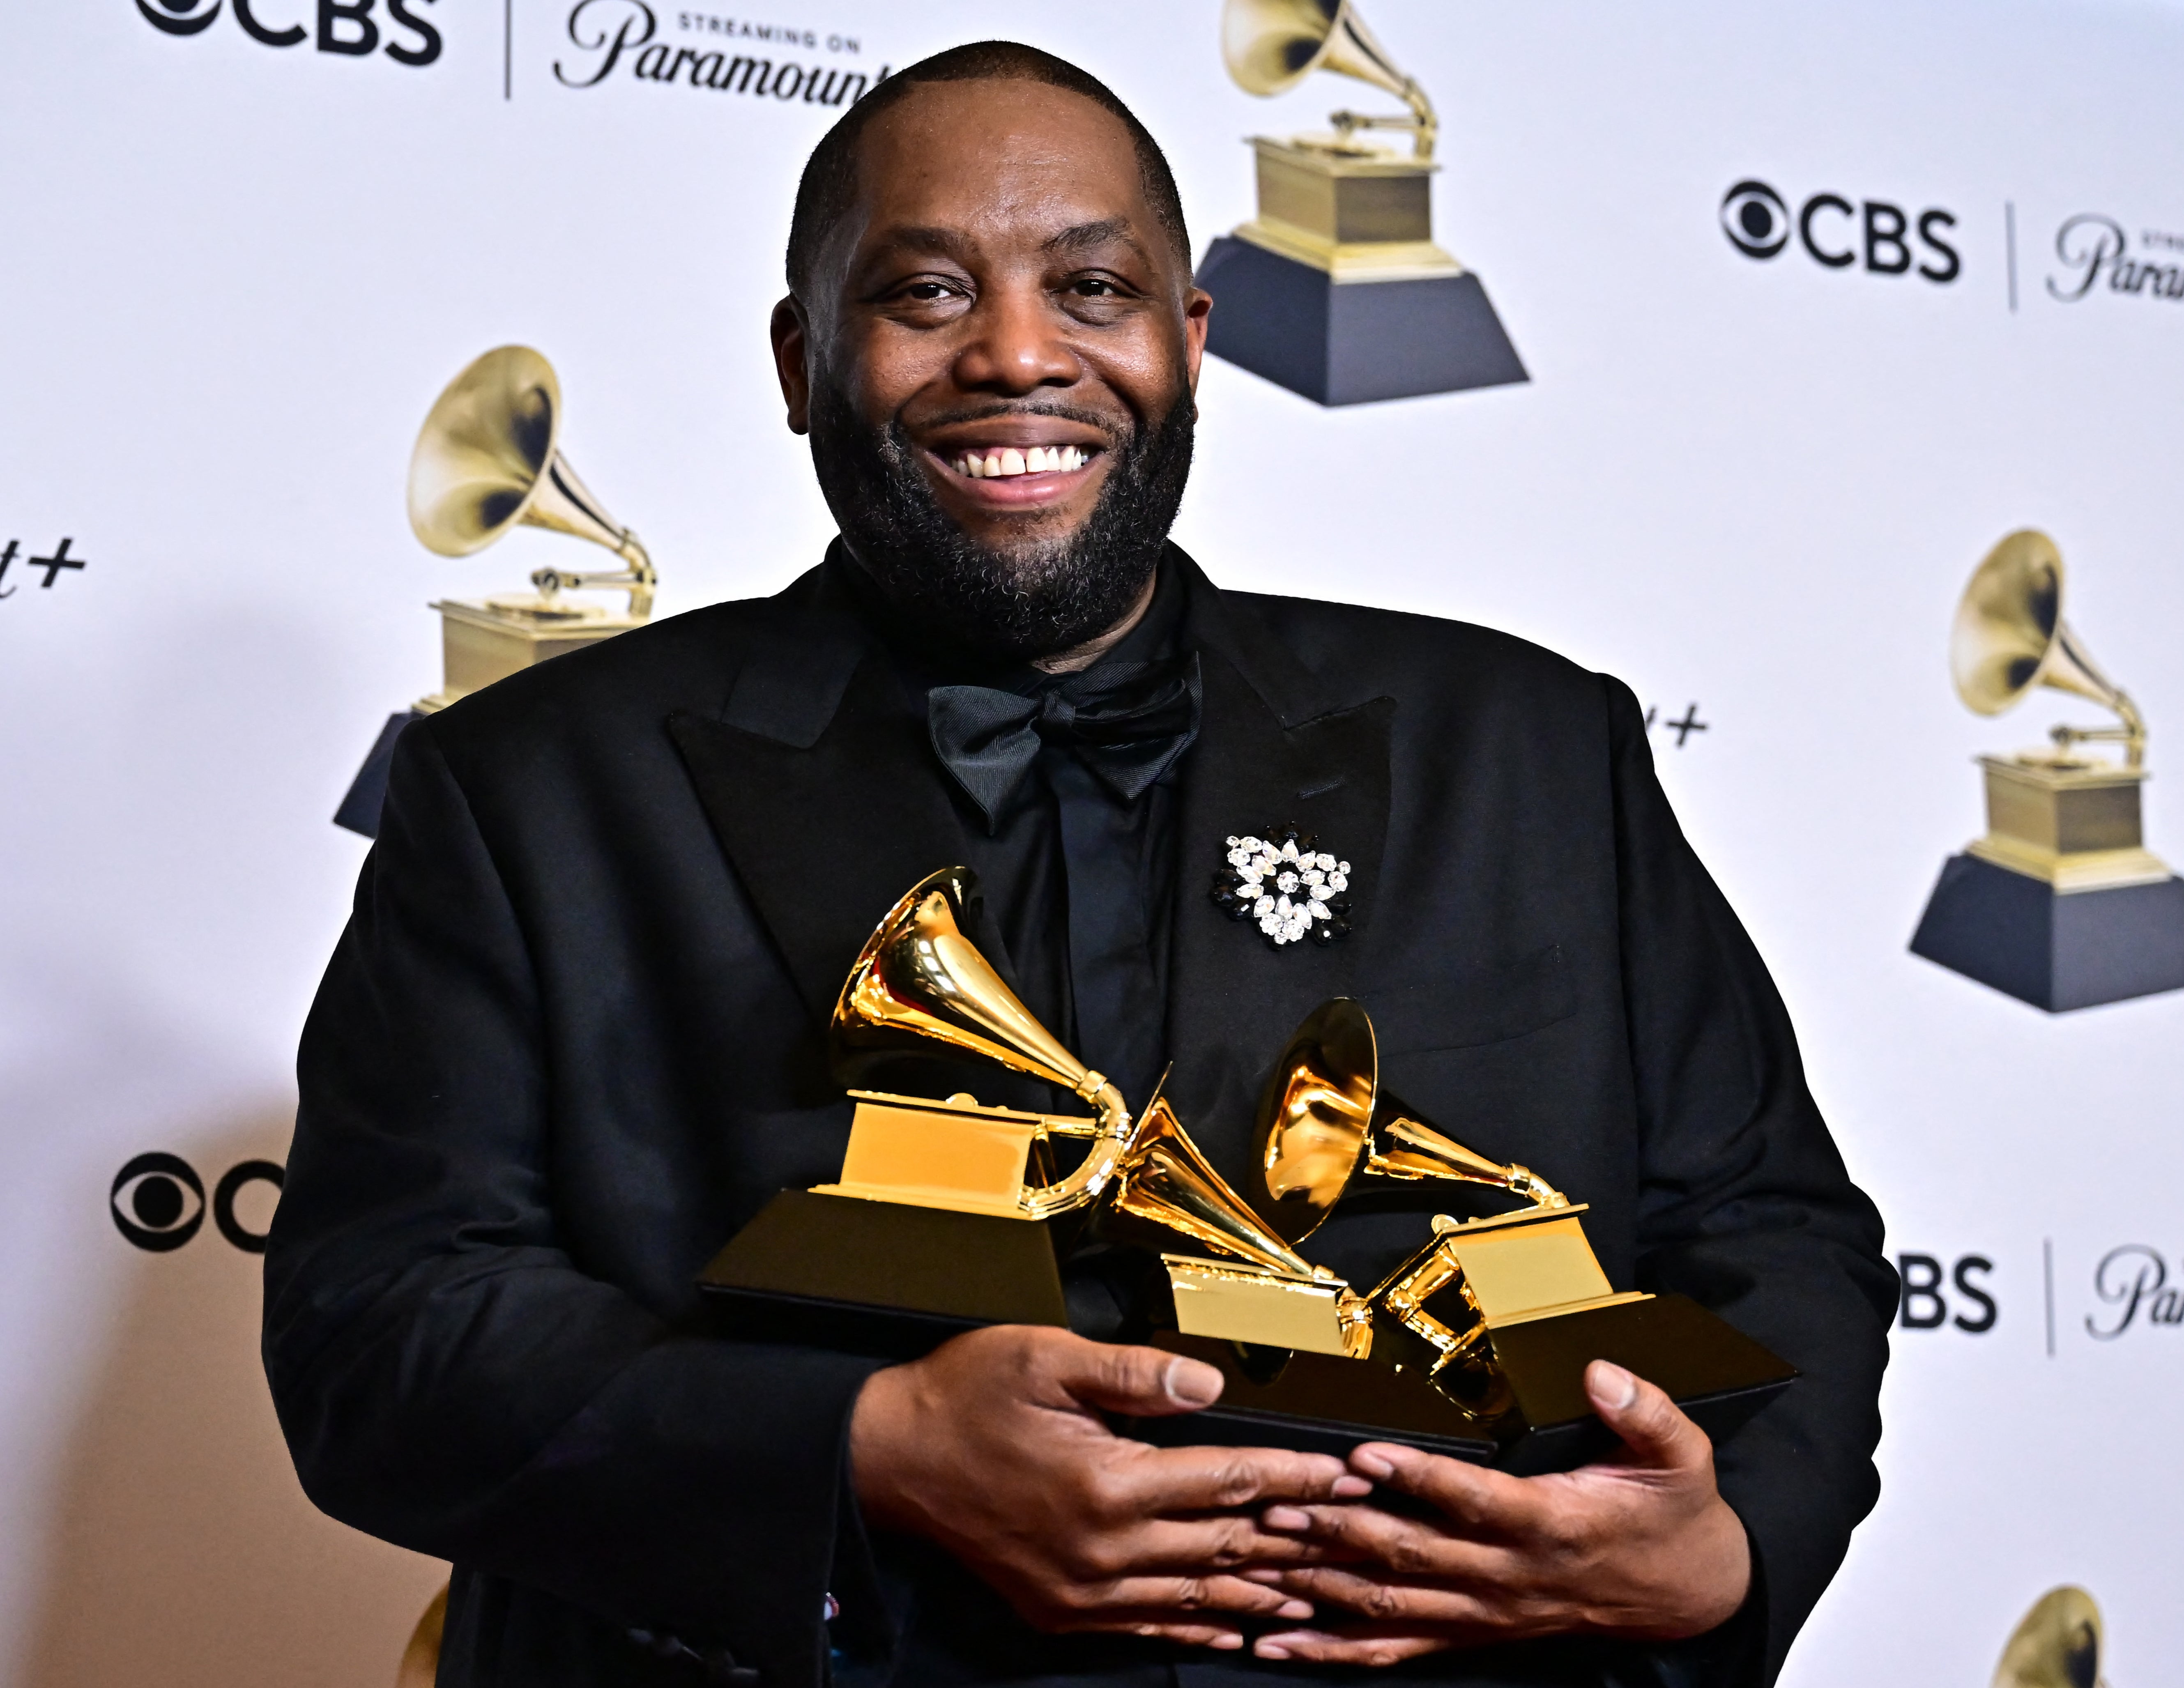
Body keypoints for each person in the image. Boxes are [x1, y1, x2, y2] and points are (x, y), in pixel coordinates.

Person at [265, 41, 1896, 1688]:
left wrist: (1728, 1547)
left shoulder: (1537, 749)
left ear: (1187, 342)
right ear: (801, 360)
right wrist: (869, 1440)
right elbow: (378, 1328)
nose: (1021, 353)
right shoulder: (532, 784)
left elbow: (1773, 1229)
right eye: (922, 292)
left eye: (1092, 286)